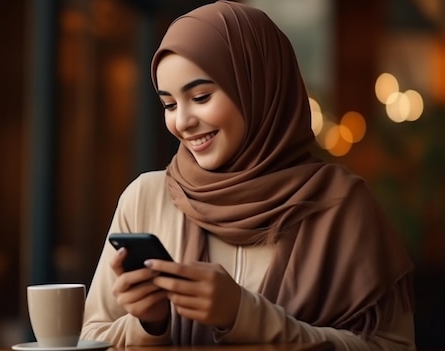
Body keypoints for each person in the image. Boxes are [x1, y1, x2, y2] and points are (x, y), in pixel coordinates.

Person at [80, 1, 416, 349]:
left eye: (201, 96)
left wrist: (246, 315)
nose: (182, 122)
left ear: (257, 87)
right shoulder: (145, 198)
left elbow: (392, 345)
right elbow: (90, 337)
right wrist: (149, 325)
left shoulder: (341, 204)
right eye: (169, 104)